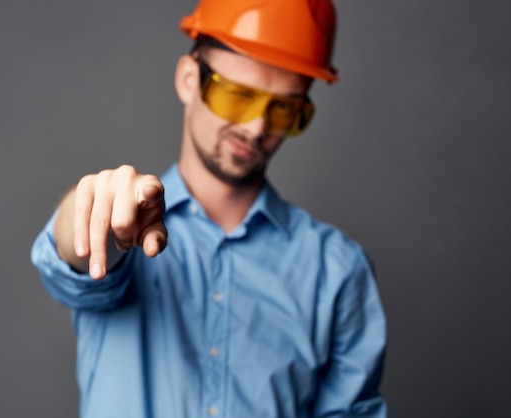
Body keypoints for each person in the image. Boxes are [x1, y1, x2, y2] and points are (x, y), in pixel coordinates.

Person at [31, 0, 387, 417]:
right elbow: (77, 254)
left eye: (284, 108)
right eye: (239, 95)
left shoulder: (338, 271)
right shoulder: (126, 230)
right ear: (187, 79)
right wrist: (93, 209)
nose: (256, 127)